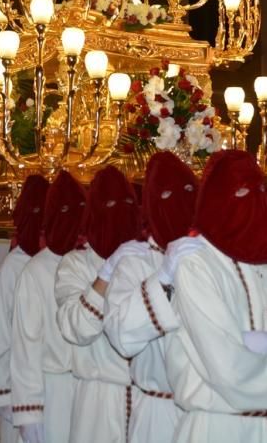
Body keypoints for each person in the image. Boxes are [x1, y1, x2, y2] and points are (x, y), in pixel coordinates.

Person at [165, 150, 267, 442]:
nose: (252, 200)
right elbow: (229, 369)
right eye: (242, 191)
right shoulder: (197, 264)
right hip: (223, 429)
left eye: (259, 190)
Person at [103, 151, 203, 442]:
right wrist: (162, 279)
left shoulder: (211, 255)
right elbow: (120, 335)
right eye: (168, 195)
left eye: (188, 192)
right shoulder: (135, 262)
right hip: (158, 414)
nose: (180, 203)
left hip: (209, 416)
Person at [55, 166, 143, 443]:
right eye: (111, 206)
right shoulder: (75, 264)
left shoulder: (146, 258)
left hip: (144, 399)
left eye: (129, 205)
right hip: (98, 401)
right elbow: (75, 328)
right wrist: (106, 274)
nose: (121, 213)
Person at [11, 170, 85, 443]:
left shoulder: (88, 263)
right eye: (66, 211)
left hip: (83, 390)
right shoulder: (34, 272)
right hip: (49, 391)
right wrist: (29, 413)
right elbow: (25, 347)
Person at [0, 174, 50, 443]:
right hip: (17, 386)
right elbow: (0, 336)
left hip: (48, 384)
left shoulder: (57, 261)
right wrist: (4, 395)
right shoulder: (11, 268)